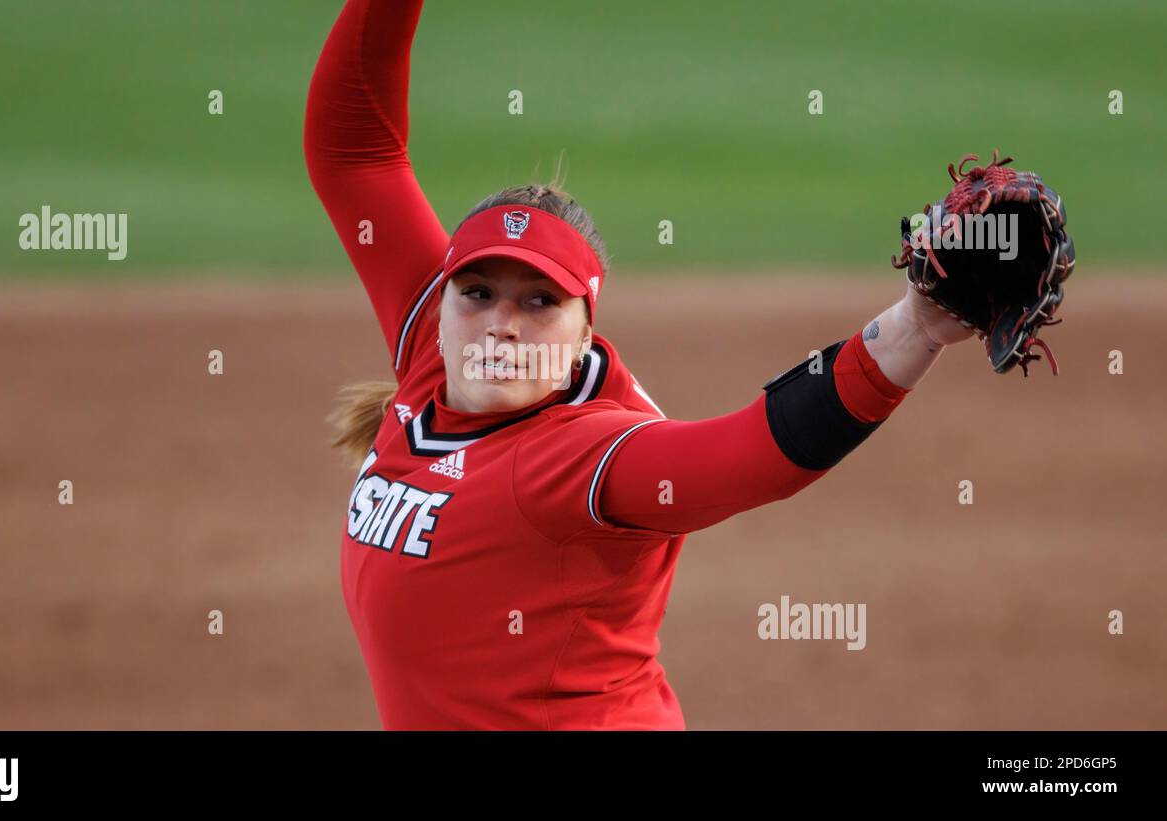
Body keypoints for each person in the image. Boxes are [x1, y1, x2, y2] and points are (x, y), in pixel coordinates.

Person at [304, 0, 973, 730]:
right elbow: (353, 150)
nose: (501, 323)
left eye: (539, 301)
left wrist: (917, 326)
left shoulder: (580, 459)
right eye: (478, 292)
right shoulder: (435, 354)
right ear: (443, 301)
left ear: (585, 327)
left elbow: (757, 452)